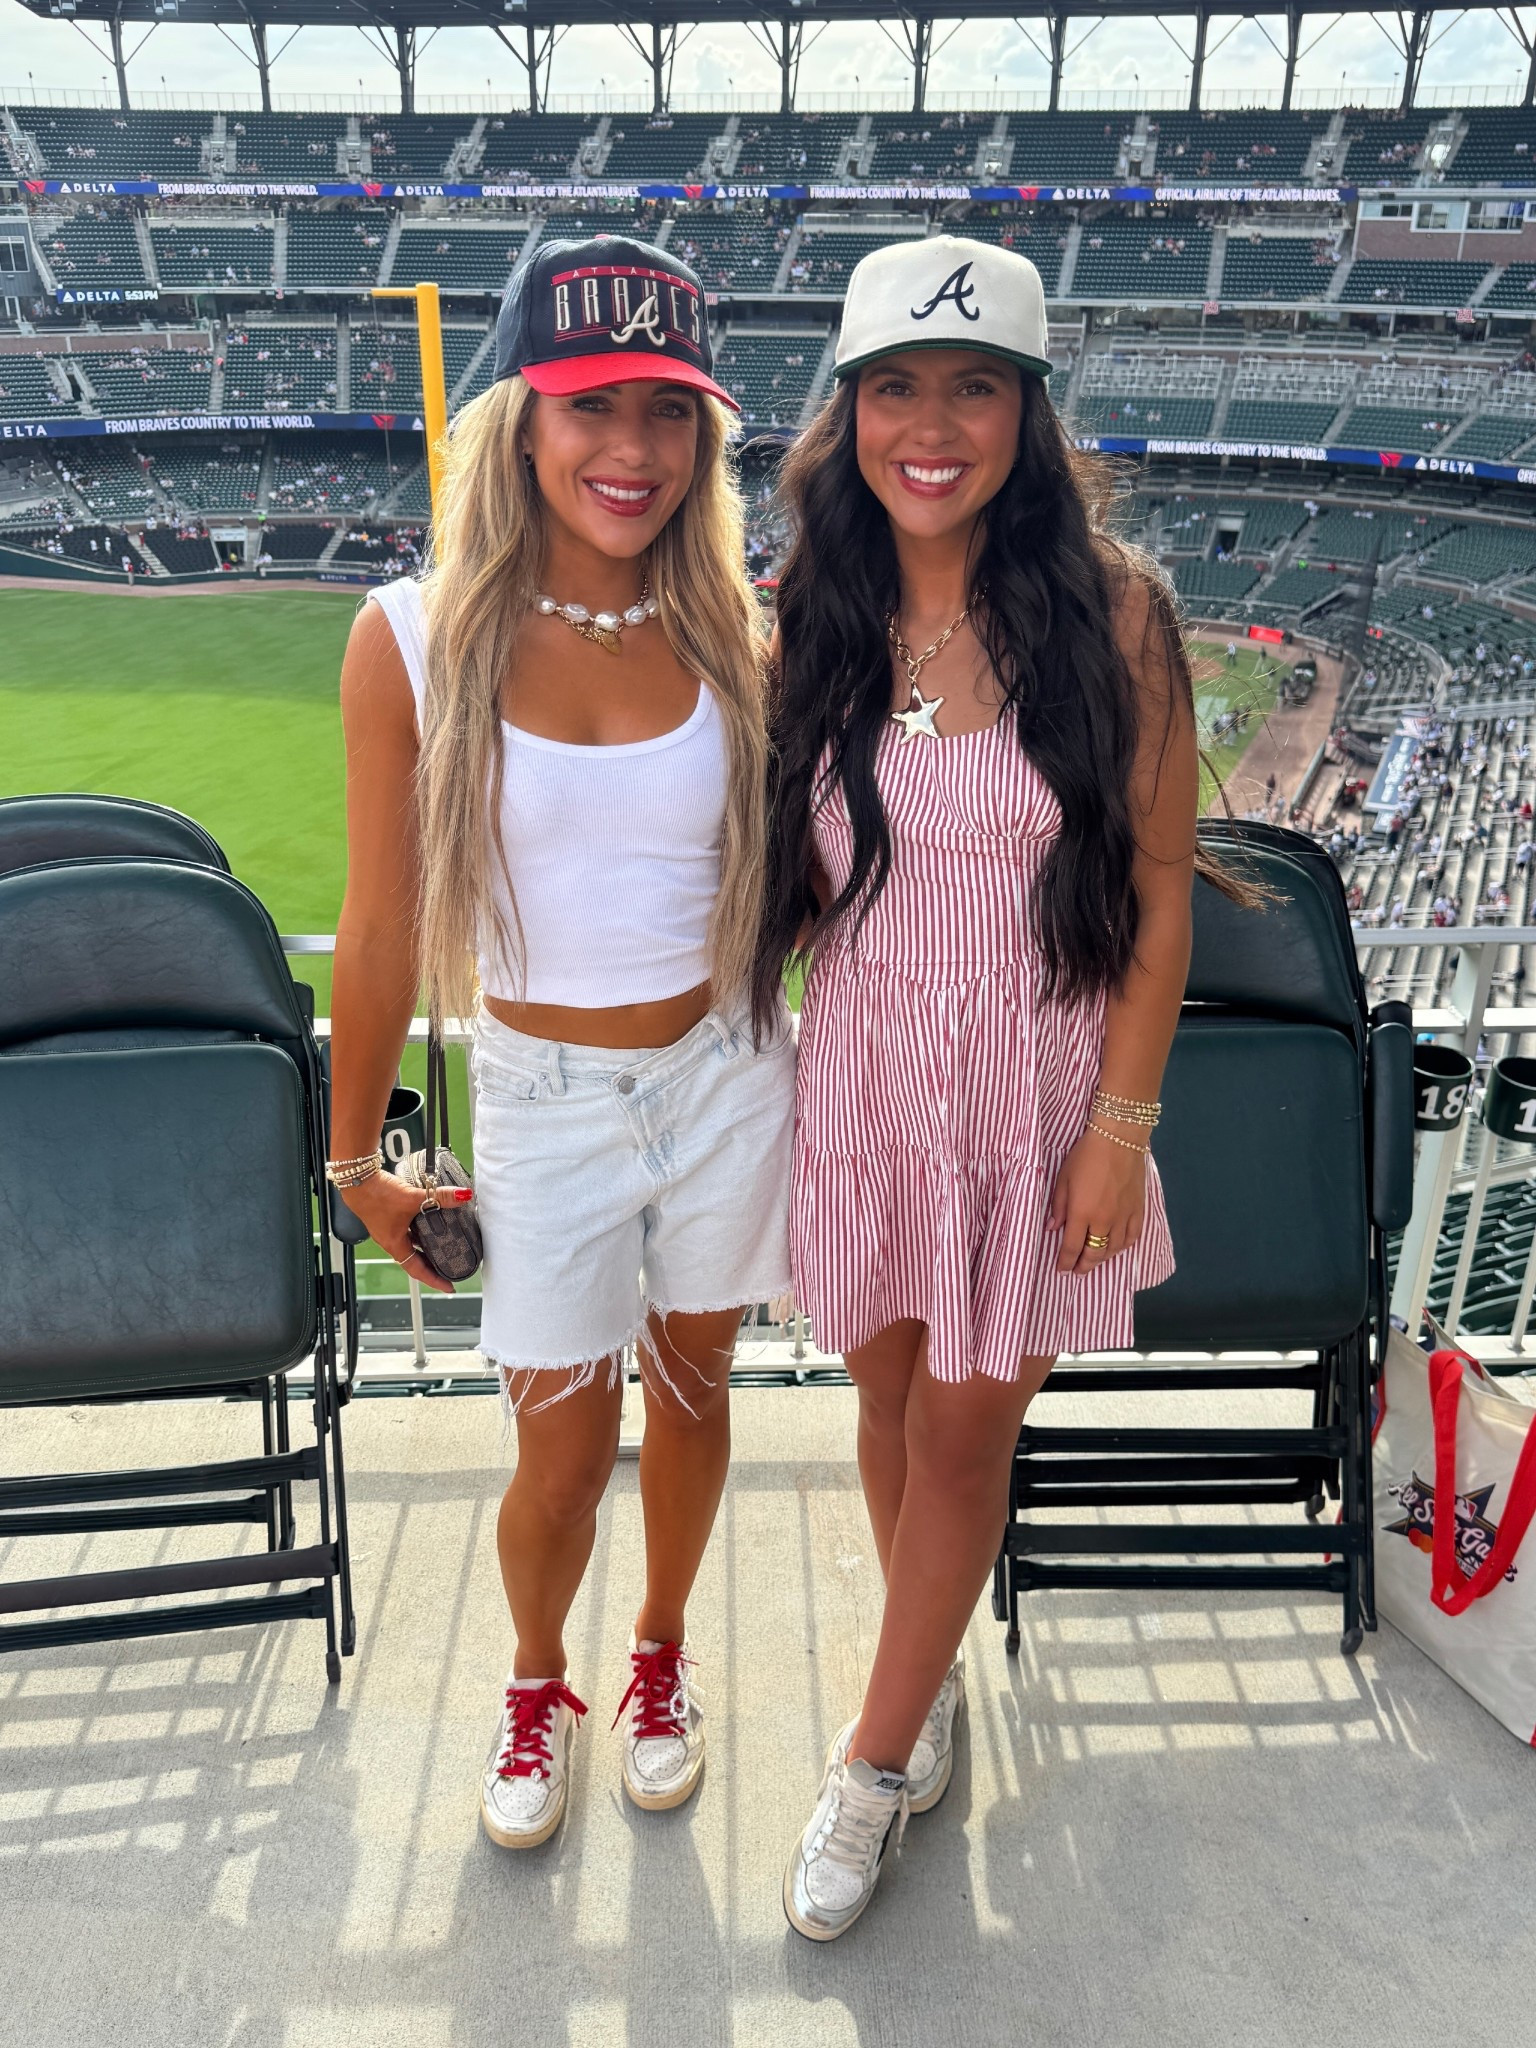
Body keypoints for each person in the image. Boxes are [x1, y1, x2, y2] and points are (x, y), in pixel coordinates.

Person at [754, 237, 1205, 1940]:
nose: (931, 425)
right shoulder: (820, 607)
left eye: (974, 387)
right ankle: (920, 1673)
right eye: (896, 389)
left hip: (1035, 1087)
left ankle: (872, 1766)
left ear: (1027, 410)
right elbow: (786, 874)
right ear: (851, 413)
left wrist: (1120, 1123)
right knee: (882, 1409)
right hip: (862, 1071)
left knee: (960, 1431)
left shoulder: (1116, 610)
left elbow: (1160, 900)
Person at [328, 238, 795, 1852]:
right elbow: (380, 930)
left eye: (671, 411)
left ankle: (660, 1661)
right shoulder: (410, 635)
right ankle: (540, 1678)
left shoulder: (745, 630)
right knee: (558, 1440)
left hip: (731, 1075)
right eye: (595, 405)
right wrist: (352, 1161)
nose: (634, 450)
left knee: (699, 1393)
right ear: (522, 419)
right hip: (541, 1097)